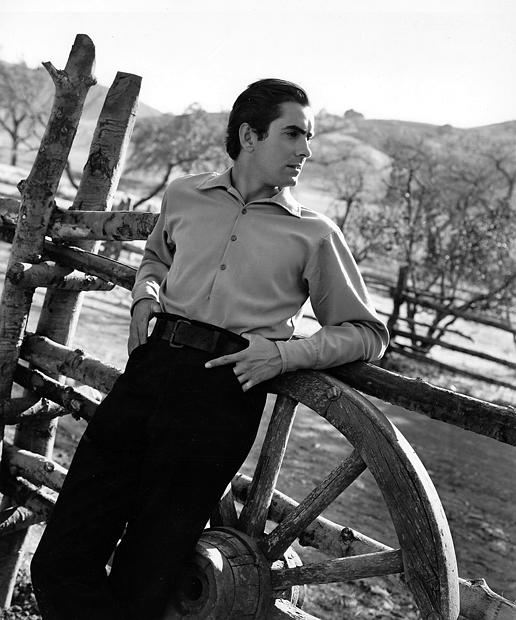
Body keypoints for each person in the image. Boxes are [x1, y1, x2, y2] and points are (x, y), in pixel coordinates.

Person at [31, 79, 389, 620]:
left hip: (221, 395)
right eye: (293, 133)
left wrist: (284, 355)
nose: (306, 150)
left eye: (309, 137)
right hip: (149, 371)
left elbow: (367, 333)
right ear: (249, 135)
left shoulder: (315, 235)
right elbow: (156, 258)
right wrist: (145, 295)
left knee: (144, 579)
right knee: (61, 557)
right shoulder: (184, 195)